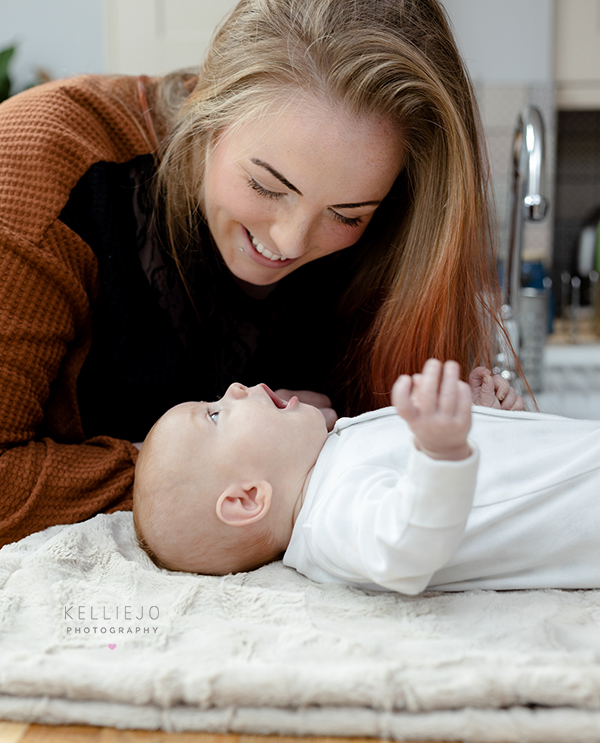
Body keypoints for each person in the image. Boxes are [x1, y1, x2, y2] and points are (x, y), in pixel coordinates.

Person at [0, 0, 511, 549]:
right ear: (208, 112)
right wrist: (263, 484)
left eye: (347, 215)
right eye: (268, 186)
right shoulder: (38, 172)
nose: (289, 243)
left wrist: (472, 431)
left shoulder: (396, 232)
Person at [131, 360, 599, 596]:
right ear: (248, 498)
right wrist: (442, 453)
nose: (232, 390)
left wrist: (486, 419)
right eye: (215, 416)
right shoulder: (333, 520)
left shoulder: (332, 462)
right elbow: (407, 545)